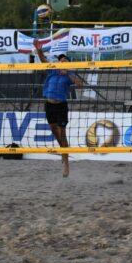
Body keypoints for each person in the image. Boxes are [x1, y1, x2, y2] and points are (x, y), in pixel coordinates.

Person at [33, 41, 82, 178]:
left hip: (61, 105)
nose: (62, 61)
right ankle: (63, 151)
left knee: (62, 133)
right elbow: (43, 60)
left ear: (68, 63)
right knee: (54, 130)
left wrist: (67, 74)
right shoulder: (52, 69)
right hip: (49, 104)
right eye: (60, 59)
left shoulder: (70, 73)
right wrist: (39, 50)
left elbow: (80, 84)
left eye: (64, 59)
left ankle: (66, 163)